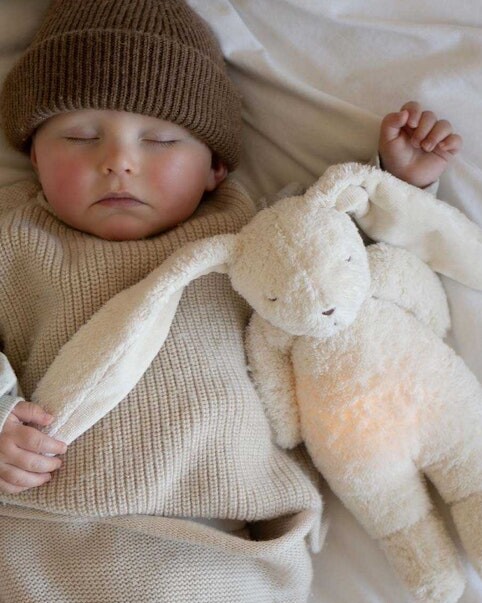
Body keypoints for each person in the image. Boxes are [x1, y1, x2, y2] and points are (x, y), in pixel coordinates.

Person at [0, 1, 462, 602]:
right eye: (80, 137)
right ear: (33, 155)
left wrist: (398, 178)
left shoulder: (251, 234)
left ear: (214, 168)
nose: (118, 161)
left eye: (161, 140)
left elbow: (335, 272)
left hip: (221, 541)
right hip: (43, 533)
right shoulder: (16, 238)